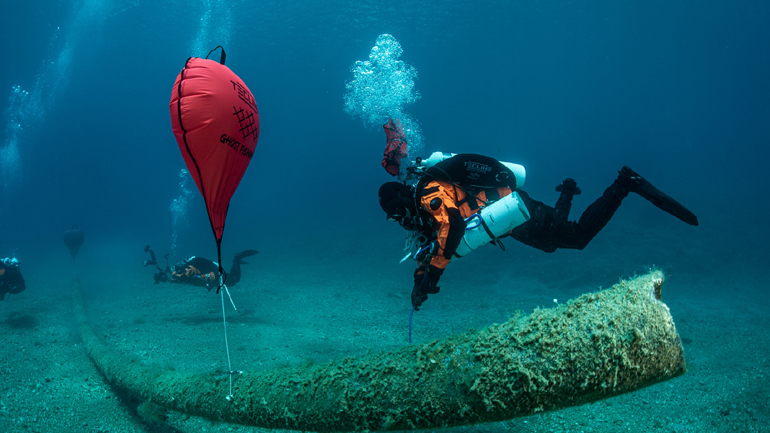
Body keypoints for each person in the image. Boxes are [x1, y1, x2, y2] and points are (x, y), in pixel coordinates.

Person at [378, 153, 699, 311]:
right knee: (550, 244)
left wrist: (434, 275)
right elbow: (428, 246)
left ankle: (624, 184)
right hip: (508, 220)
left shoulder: (428, 194)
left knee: (576, 237)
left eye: (397, 214)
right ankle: (568, 191)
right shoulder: (420, 214)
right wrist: (420, 282)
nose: (400, 221)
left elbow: (453, 224)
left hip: (513, 208)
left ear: (402, 201)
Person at [143, 246, 258, 292]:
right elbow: (181, 278)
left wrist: (172, 275)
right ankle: (237, 261)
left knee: (234, 280)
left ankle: (237, 258)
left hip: (213, 273)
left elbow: (186, 275)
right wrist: (167, 278)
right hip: (211, 273)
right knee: (232, 281)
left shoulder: (186, 268)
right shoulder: (182, 268)